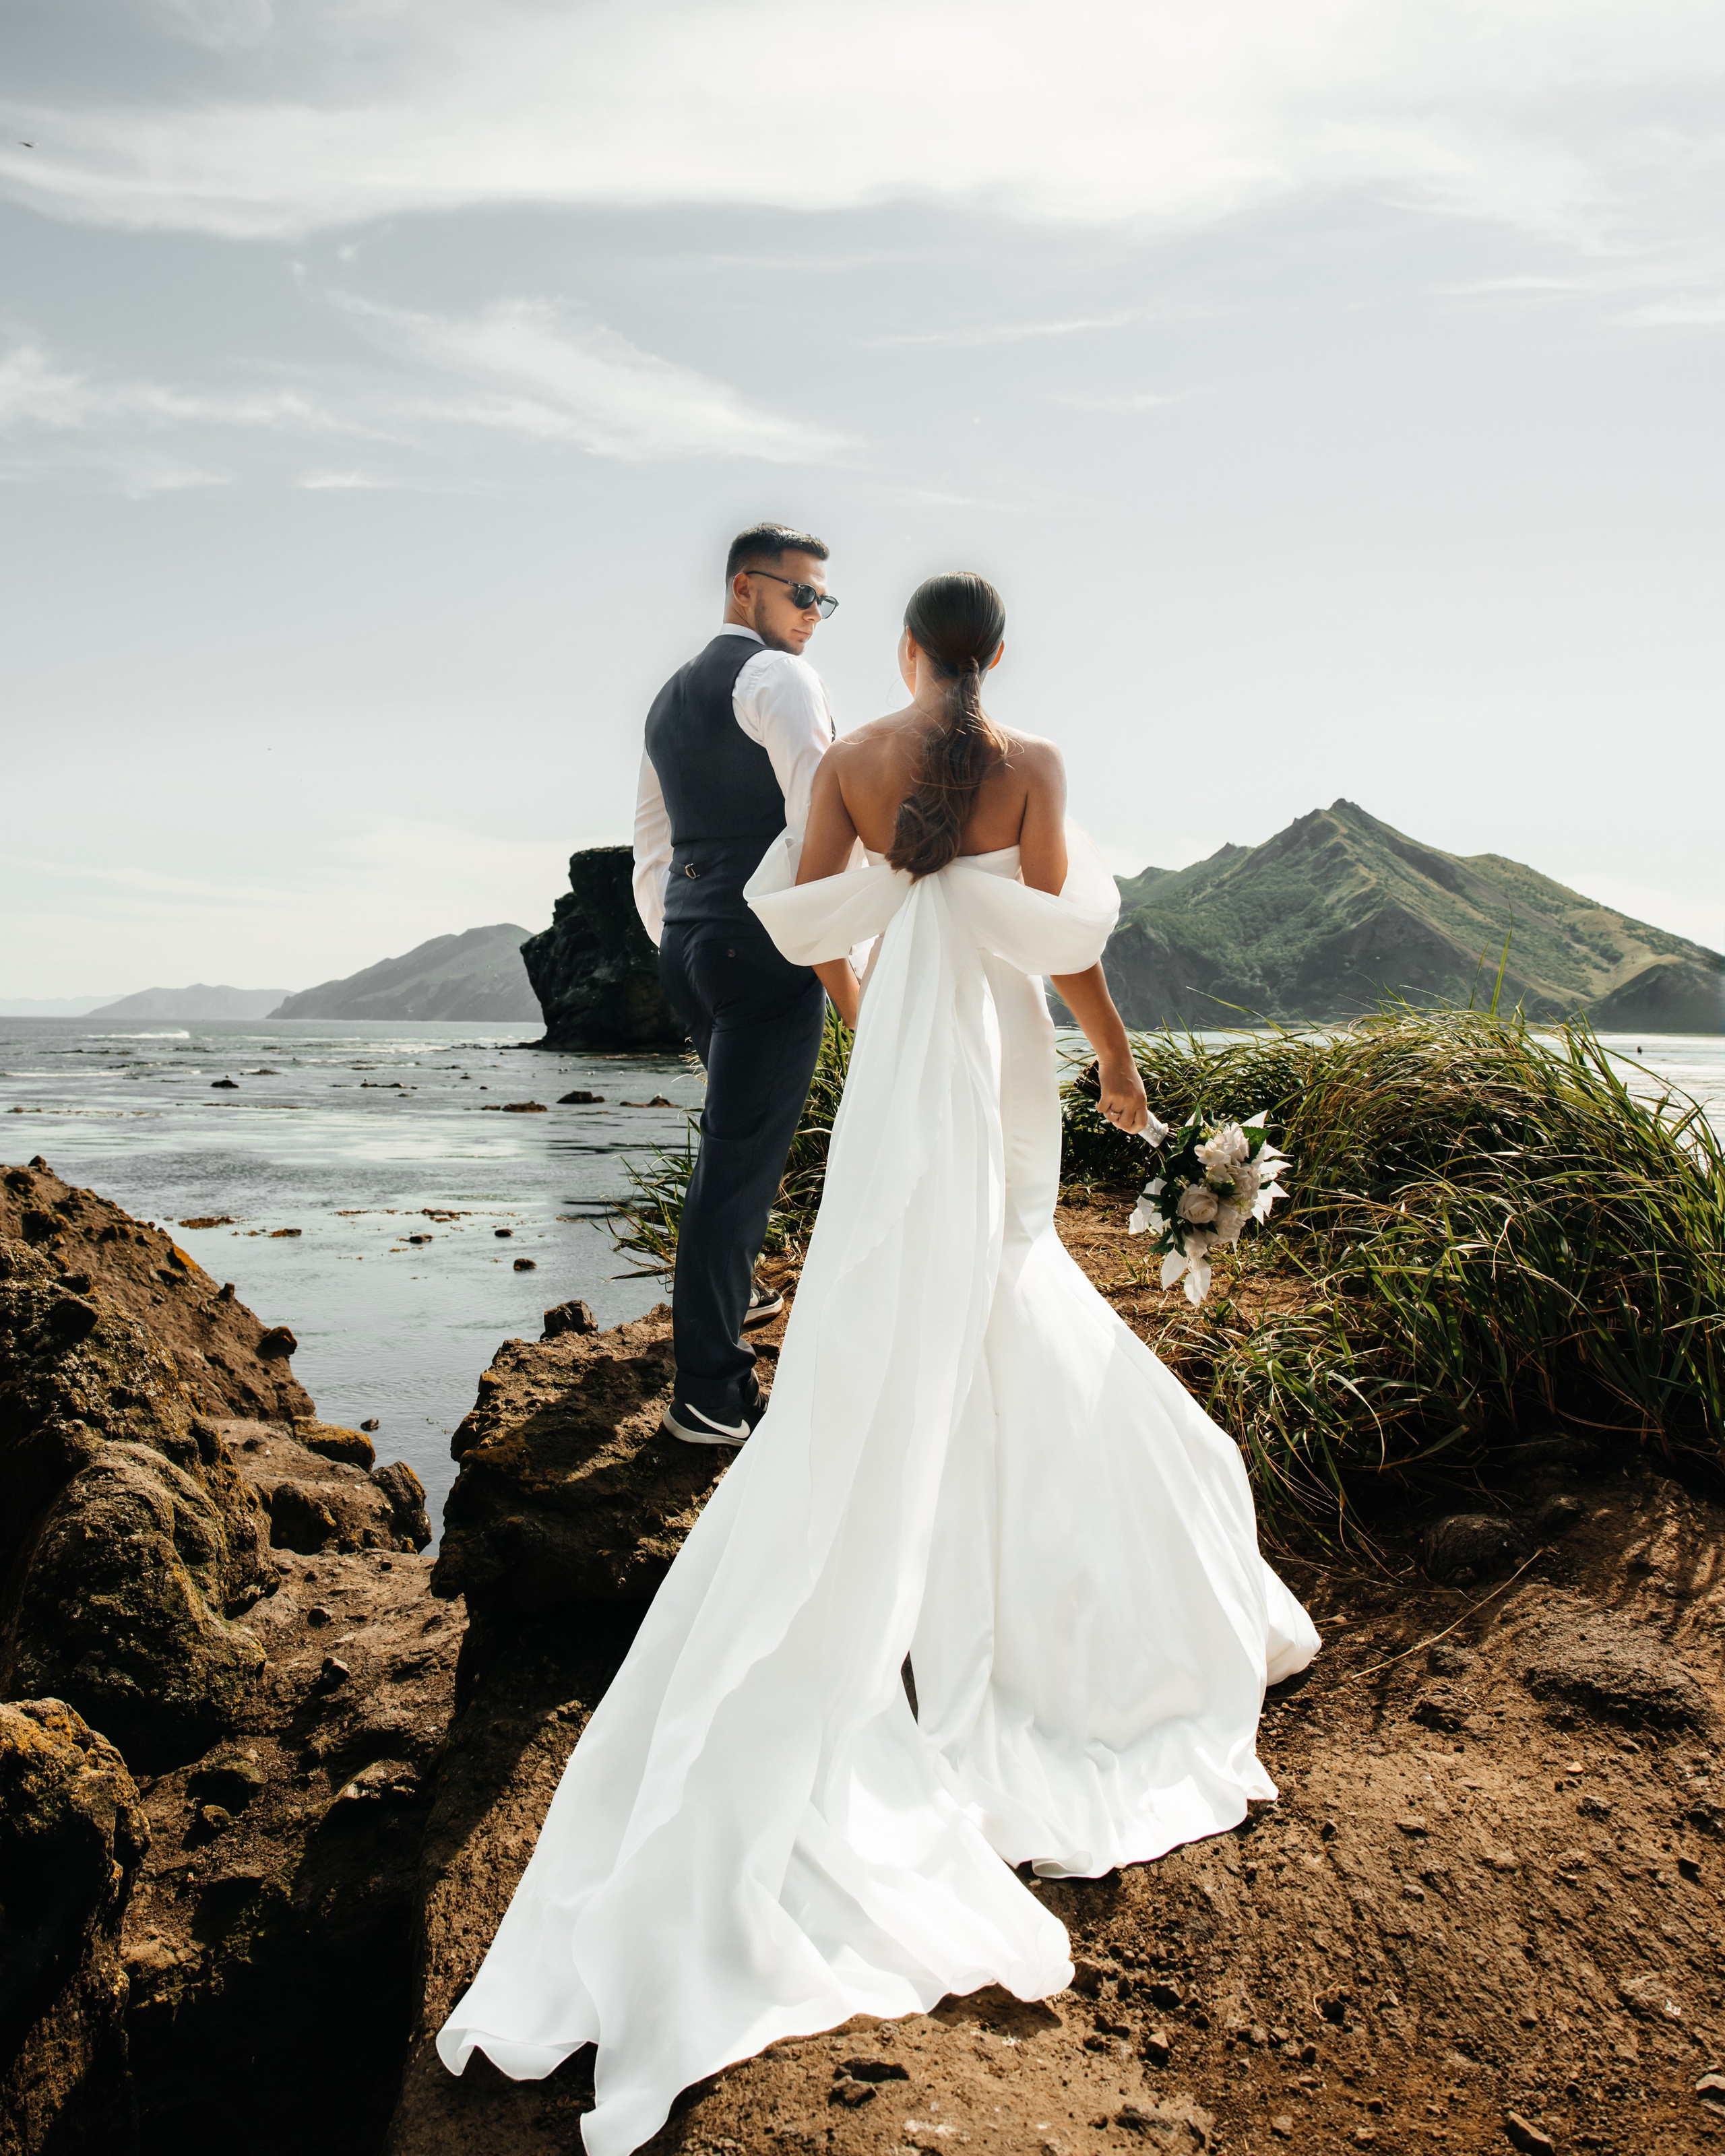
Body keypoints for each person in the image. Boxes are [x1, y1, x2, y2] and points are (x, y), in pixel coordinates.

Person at [438, 572, 1320, 2156]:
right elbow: (1060, 946)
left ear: (906, 651)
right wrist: (1112, 1056)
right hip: (989, 1045)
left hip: (908, 1039)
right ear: (997, 653)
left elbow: (798, 909)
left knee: (898, 1281)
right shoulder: (1034, 764)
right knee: (1002, 1269)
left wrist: (866, 990)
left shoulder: (847, 759)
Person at [631, 522, 841, 1447]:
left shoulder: (667, 699)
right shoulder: (778, 678)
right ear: (743, 590)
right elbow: (823, 817)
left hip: (690, 942)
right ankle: (709, 1395)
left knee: (736, 1144)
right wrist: (841, 962)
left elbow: (651, 843)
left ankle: (739, 1290)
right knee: (736, 1163)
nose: (814, 615)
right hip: (762, 949)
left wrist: (682, 935)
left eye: (825, 601)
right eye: (803, 595)